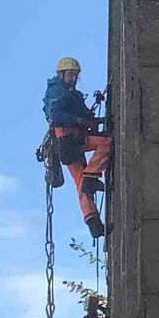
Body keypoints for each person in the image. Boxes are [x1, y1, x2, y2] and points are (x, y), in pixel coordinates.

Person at [43, 57, 110, 240]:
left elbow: (83, 114)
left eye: (76, 75)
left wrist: (94, 119)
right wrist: (79, 120)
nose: (73, 78)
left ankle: (94, 223)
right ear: (61, 74)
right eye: (71, 75)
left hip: (73, 140)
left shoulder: (73, 95)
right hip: (67, 140)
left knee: (82, 184)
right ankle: (91, 177)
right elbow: (56, 114)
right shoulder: (57, 92)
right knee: (104, 144)